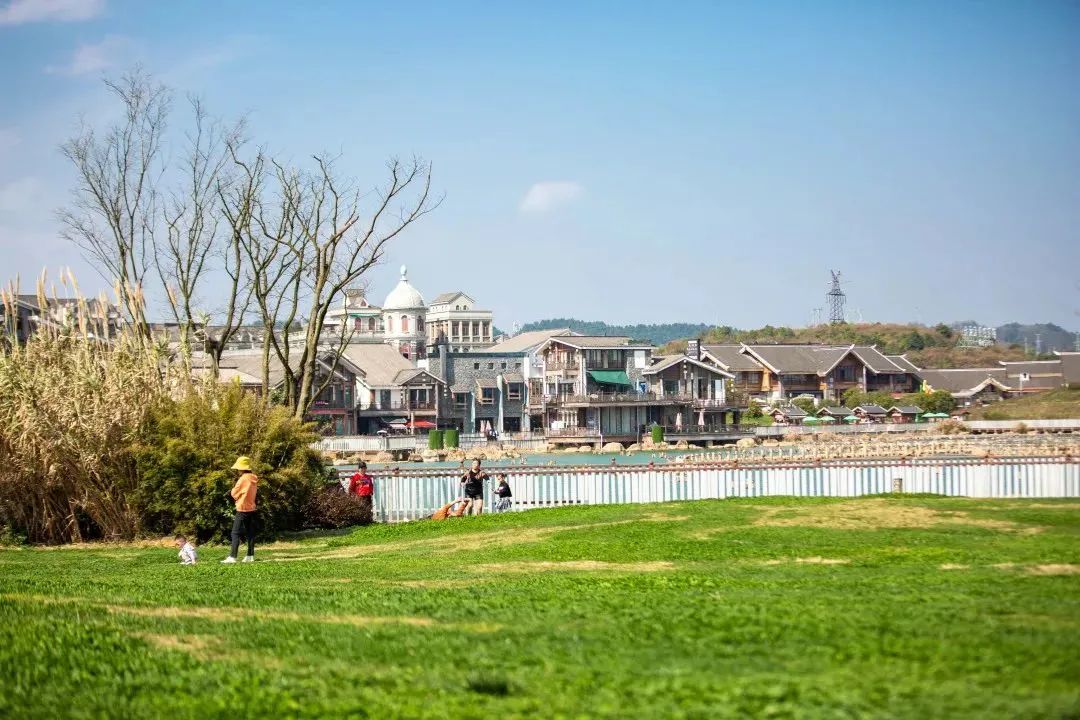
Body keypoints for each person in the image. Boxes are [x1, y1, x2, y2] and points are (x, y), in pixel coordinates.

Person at [222, 456, 259, 564]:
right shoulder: (254, 478)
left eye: (238, 468)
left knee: (235, 533)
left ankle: (233, 557)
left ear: (242, 468)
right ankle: (250, 555)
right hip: (251, 508)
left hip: (242, 508)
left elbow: (234, 493)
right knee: (250, 533)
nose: (237, 470)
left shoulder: (243, 479)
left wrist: (233, 491)